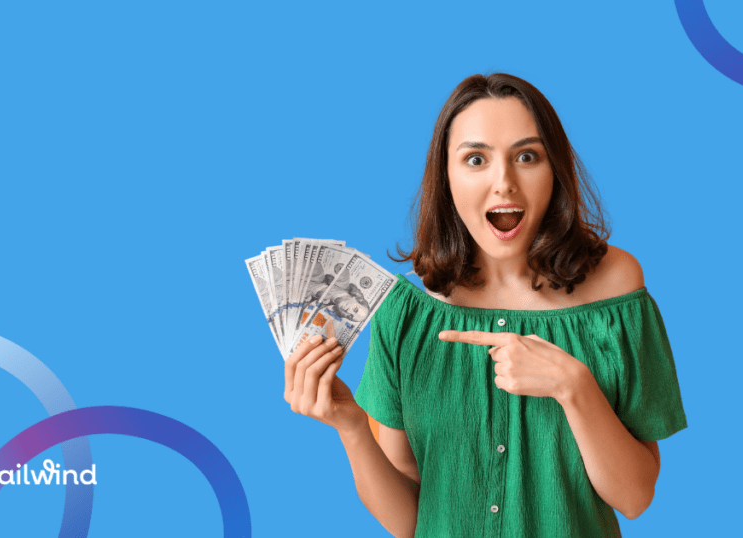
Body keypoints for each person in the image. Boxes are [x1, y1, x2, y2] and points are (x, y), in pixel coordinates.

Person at [282, 73, 687, 537]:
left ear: (554, 169)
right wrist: (350, 425)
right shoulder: (406, 308)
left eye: (527, 156)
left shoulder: (615, 288)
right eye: (476, 159)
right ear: (447, 176)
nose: (504, 183)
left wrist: (572, 386)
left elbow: (635, 497)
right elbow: (410, 522)